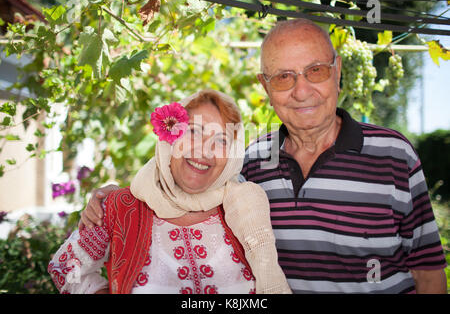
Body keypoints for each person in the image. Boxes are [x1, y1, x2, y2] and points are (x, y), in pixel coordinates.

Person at [80, 19, 447, 294]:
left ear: (337, 73)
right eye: (284, 77)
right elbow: (184, 193)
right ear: (265, 86)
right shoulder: (248, 165)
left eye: (315, 71)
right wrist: (113, 197)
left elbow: (428, 272)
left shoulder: (394, 155)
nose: (302, 91)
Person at [48, 89, 291, 294]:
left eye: (222, 140)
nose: (205, 150)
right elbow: (66, 267)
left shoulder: (244, 209)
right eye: (194, 131)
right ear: (170, 137)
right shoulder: (119, 207)